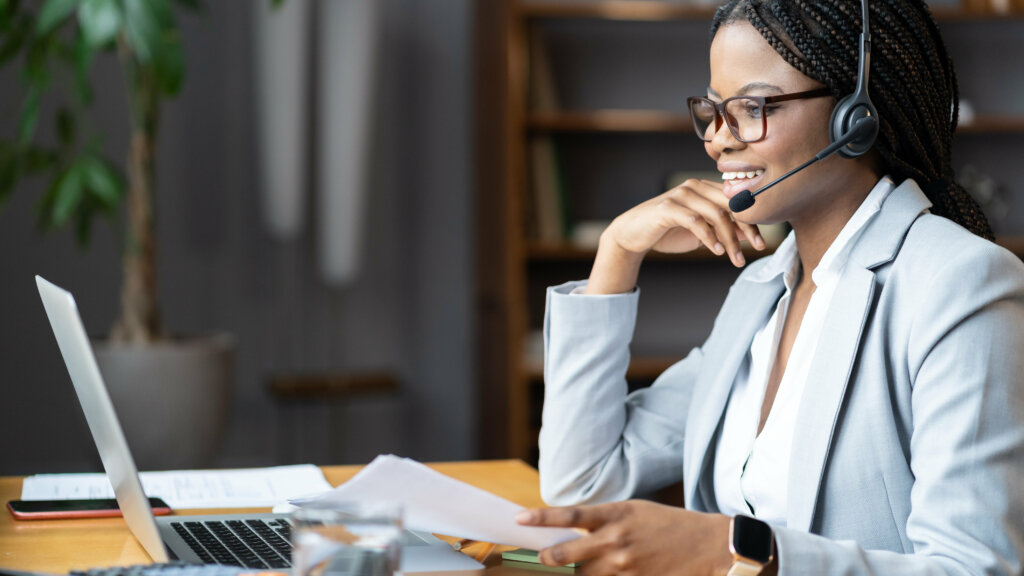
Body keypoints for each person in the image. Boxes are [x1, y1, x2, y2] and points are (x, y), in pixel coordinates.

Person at [513, 0, 1024, 574]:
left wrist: (736, 552)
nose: (716, 139)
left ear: (856, 116)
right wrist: (618, 252)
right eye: (713, 109)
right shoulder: (763, 289)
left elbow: (975, 568)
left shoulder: (959, 283)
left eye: (753, 106)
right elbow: (581, 483)